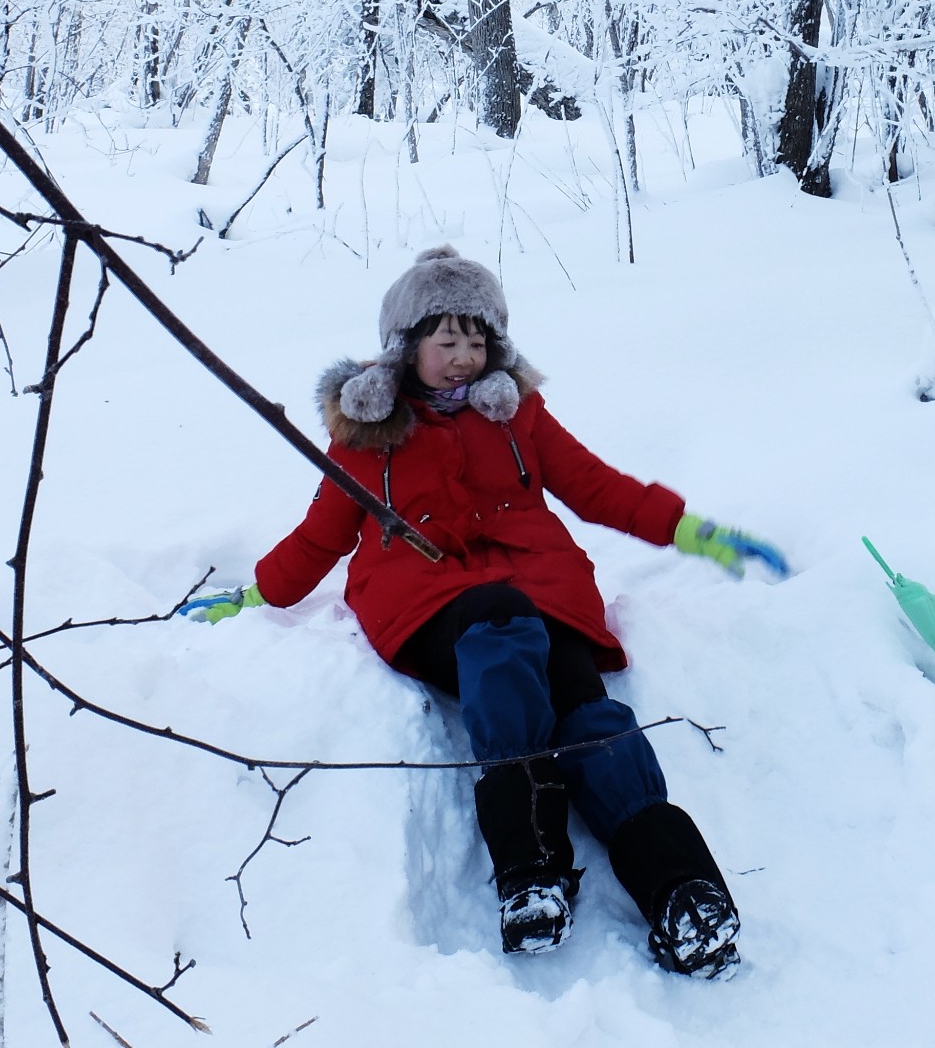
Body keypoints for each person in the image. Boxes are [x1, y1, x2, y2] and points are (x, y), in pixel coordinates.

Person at [184, 245, 786, 975]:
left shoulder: (518, 415)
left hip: (543, 592)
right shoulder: (368, 436)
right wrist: (256, 593)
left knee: (588, 708)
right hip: (427, 599)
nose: (464, 357)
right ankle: (530, 871)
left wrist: (687, 527)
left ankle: (681, 889)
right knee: (499, 628)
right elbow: (320, 535)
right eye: (446, 341)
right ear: (405, 348)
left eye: (477, 340)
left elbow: (595, 486)